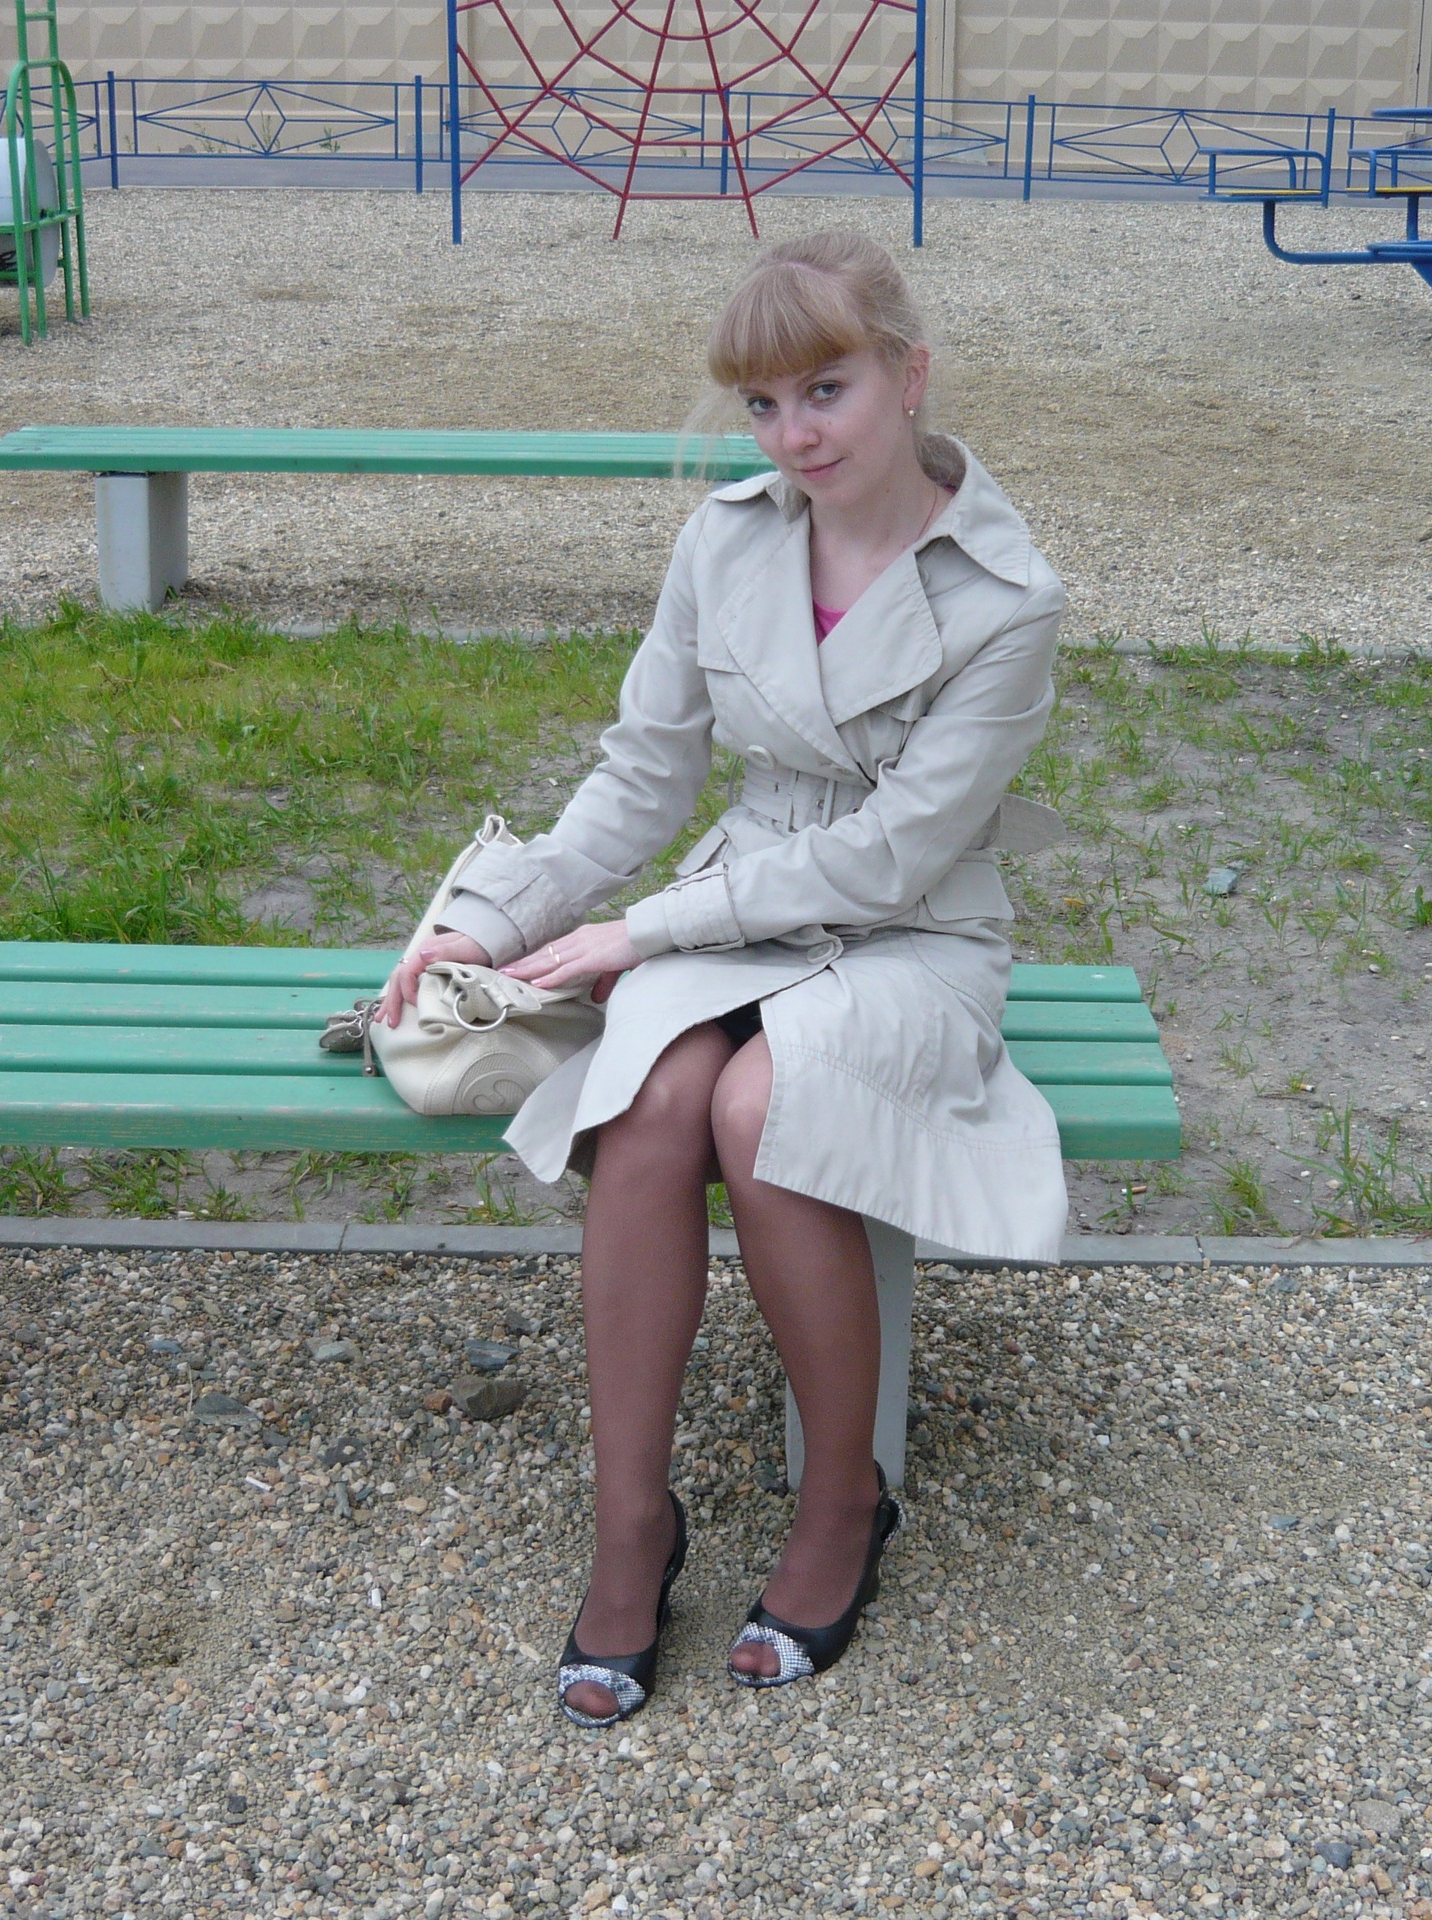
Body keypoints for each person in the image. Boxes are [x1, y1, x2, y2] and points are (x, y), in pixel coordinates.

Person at [378, 229, 1069, 1727]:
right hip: (736, 903)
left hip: (913, 933)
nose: (795, 435)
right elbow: (642, 776)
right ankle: (634, 1522)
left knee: (762, 1107)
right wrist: (488, 923)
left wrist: (645, 934)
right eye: (763, 404)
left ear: (909, 374)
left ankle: (843, 1501)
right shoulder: (727, 540)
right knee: (650, 1104)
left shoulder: (1008, 595)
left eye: (826, 390)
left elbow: (893, 856)